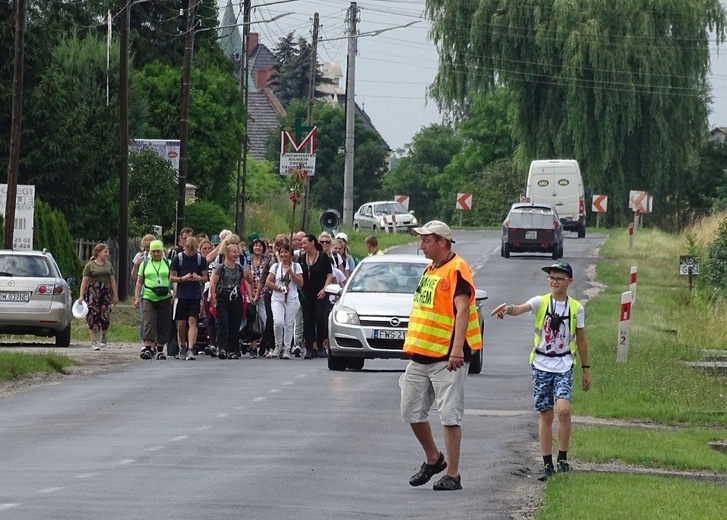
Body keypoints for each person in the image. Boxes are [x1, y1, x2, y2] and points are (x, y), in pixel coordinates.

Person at [400, 220, 482, 491]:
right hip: (421, 354)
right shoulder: (430, 269)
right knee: (410, 411)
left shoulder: (457, 268)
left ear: (442, 242)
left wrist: (457, 349)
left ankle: (453, 474)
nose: (421, 245)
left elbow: (463, 311)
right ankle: (433, 459)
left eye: (426, 240)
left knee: (449, 415)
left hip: (448, 357)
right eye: (421, 240)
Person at [494, 261, 590, 481]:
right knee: (546, 413)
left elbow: (582, 340)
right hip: (541, 365)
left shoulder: (576, 308)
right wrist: (508, 309)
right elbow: (520, 308)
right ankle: (547, 463)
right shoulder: (541, 302)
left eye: (559, 278)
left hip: (564, 363)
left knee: (564, 410)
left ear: (569, 282)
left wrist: (586, 369)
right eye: (551, 278)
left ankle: (563, 459)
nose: (554, 282)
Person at [170, 236, 208, 360]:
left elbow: (205, 277)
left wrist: (198, 278)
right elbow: (171, 277)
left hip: (195, 294)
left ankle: (191, 348)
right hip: (182, 294)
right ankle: (182, 345)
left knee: (192, 321)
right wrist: (182, 278)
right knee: (181, 323)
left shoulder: (200, 259)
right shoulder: (178, 258)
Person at [134, 240, 173, 360]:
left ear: (162, 251)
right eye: (154, 251)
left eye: (158, 251)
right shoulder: (145, 264)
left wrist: (173, 291)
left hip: (164, 296)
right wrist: (136, 298)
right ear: (150, 252)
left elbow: (172, 279)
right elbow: (139, 281)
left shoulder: (168, 263)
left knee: (163, 322)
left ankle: (160, 349)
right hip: (148, 296)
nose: (156, 254)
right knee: (148, 322)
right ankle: (148, 348)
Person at [209, 234, 246, 360]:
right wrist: (212, 297)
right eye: (234, 252)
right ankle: (222, 348)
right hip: (223, 295)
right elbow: (213, 282)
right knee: (223, 323)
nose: (236, 254)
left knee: (235, 323)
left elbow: (249, 280)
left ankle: (233, 349)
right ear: (227, 253)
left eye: (237, 252)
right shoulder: (221, 267)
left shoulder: (240, 268)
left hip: (235, 296)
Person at [265, 243, 303, 359]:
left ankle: (286, 348)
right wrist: (279, 288)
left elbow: (301, 283)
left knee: (288, 324)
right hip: (277, 298)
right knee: (278, 322)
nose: (283, 254)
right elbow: (268, 282)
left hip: (292, 299)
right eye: (282, 252)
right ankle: (278, 345)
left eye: (286, 252)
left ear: (291, 254)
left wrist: (291, 273)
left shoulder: (296, 267)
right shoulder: (275, 267)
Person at [79, 243, 119, 350]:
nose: (107, 254)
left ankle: (104, 335)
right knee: (93, 315)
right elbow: (84, 281)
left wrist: (115, 295)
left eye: (108, 252)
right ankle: (94, 342)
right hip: (93, 292)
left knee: (105, 315)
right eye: (105, 252)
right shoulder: (90, 266)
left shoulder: (109, 265)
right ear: (98, 253)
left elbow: (113, 281)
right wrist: (81, 296)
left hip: (105, 293)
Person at [298, 234, 332, 359]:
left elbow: (329, 275)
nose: (302, 246)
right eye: (301, 244)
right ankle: (309, 348)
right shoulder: (301, 258)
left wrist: (325, 289)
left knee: (320, 318)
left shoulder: (323, 257)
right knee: (308, 320)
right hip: (306, 293)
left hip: (320, 293)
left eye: (305, 243)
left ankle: (321, 346)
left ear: (312, 243)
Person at [248, 238, 269, 358]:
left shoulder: (267, 261)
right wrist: (251, 294)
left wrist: (257, 294)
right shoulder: (246, 260)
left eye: (260, 246)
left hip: (263, 295)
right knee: (252, 322)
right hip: (249, 294)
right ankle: (253, 347)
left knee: (265, 321)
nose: (258, 247)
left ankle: (264, 345)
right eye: (256, 245)